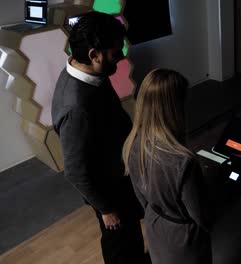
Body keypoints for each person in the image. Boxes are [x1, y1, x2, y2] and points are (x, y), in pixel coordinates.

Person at [52, 12, 148, 263]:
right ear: (94, 54)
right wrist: (106, 209)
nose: (120, 57)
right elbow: (75, 170)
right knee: (119, 243)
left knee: (131, 238)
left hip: (118, 173)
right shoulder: (76, 109)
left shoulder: (88, 71)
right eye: (115, 53)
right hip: (110, 190)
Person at [122, 69, 212, 264]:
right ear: (174, 108)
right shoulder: (183, 161)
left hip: (155, 226)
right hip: (185, 241)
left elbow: (142, 199)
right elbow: (201, 216)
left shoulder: (132, 145)